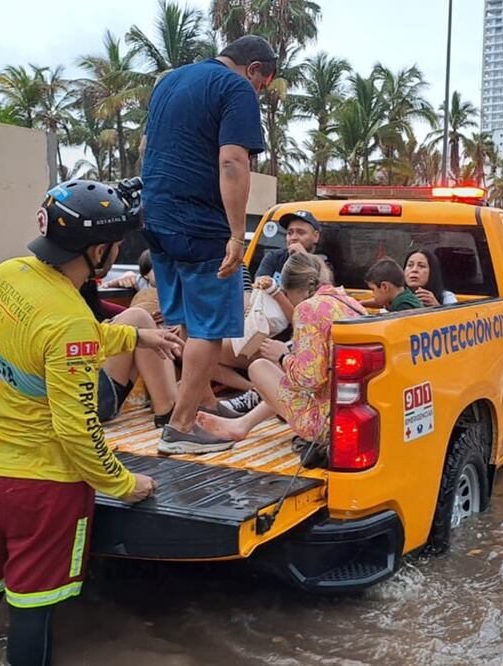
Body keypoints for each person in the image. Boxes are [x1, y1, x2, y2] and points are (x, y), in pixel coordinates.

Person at [0, 178, 184, 666]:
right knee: (35, 602)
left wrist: (137, 340)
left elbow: (47, 341)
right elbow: (77, 430)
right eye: (115, 245)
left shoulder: (3, 276)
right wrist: (123, 483)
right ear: (99, 250)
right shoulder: (68, 315)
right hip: (38, 485)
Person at [141, 34, 275, 454]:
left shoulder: (170, 81)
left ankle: (205, 404)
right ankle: (180, 428)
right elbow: (233, 160)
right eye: (262, 85)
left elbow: (147, 147)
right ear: (254, 70)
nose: (257, 93)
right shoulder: (235, 87)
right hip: (199, 220)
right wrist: (237, 234)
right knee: (210, 328)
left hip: (156, 214)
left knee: (184, 319)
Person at [196, 253, 367, 457]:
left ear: (290, 290)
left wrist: (282, 356)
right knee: (279, 374)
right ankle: (241, 425)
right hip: (356, 414)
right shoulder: (351, 303)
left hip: (328, 424)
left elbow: (310, 379)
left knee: (259, 368)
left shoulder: (308, 309)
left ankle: (240, 424)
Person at [256, 210, 322, 289]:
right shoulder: (274, 257)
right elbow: (258, 285)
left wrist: (304, 258)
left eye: (301, 232)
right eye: (290, 233)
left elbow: (322, 291)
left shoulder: (323, 262)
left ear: (315, 236)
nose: (293, 238)